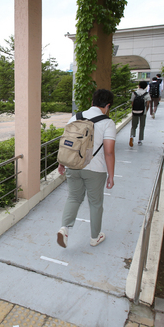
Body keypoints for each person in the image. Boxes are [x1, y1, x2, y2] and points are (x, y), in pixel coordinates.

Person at [57, 89, 116, 248]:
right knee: (95, 203)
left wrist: (61, 163)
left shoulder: (74, 118)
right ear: (107, 106)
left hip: (73, 166)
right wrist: (111, 175)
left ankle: (64, 228)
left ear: (92, 102)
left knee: (74, 198)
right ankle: (94, 237)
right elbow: (109, 152)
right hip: (95, 170)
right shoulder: (107, 123)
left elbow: (66, 144)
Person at [129, 81, 151, 147]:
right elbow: (148, 104)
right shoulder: (146, 94)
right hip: (143, 112)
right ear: (145, 87)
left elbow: (132, 103)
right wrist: (146, 110)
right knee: (142, 126)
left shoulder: (134, 93)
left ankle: (132, 136)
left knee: (133, 125)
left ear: (139, 86)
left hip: (135, 111)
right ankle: (140, 140)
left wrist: (134, 109)